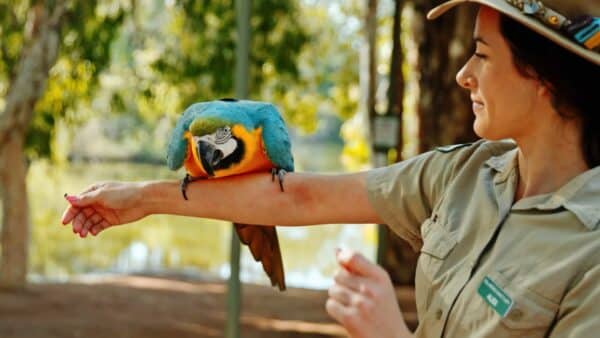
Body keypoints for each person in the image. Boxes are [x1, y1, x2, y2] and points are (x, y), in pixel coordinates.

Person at [61, 0, 599, 337]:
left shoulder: (589, 253)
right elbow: (298, 197)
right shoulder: (462, 175)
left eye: (481, 54)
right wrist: (143, 198)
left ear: (542, 75)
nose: (462, 74)